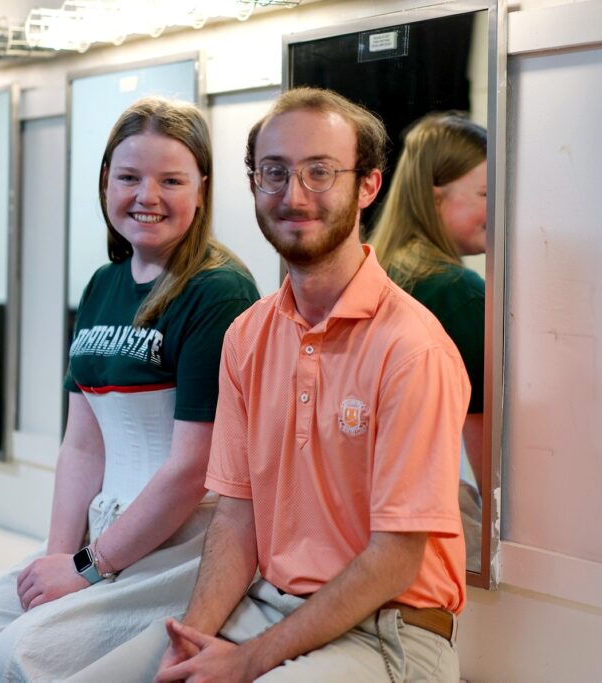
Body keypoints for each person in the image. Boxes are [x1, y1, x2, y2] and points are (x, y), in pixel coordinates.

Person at [70, 87, 470, 682]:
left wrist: (247, 661)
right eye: (274, 173)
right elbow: (236, 519)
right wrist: (193, 642)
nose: (294, 195)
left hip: (390, 633)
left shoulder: (412, 348)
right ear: (254, 184)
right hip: (267, 604)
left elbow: (394, 560)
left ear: (368, 186)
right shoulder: (248, 337)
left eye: (320, 173)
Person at [0, 97, 260, 680]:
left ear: (203, 190)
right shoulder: (103, 285)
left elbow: (192, 468)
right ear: (106, 181)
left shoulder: (219, 291)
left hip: (180, 546)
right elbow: (82, 446)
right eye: (129, 177)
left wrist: (85, 569)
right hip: (101, 537)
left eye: (171, 180)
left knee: (18, 654)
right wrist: (57, 560)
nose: (147, 197)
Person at [370, 112, 487, 565]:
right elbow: (486, 448)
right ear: (436, 198)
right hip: (432, 517)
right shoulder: (457, 291)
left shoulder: (377, 270)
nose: (498, 208)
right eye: (484, 194)